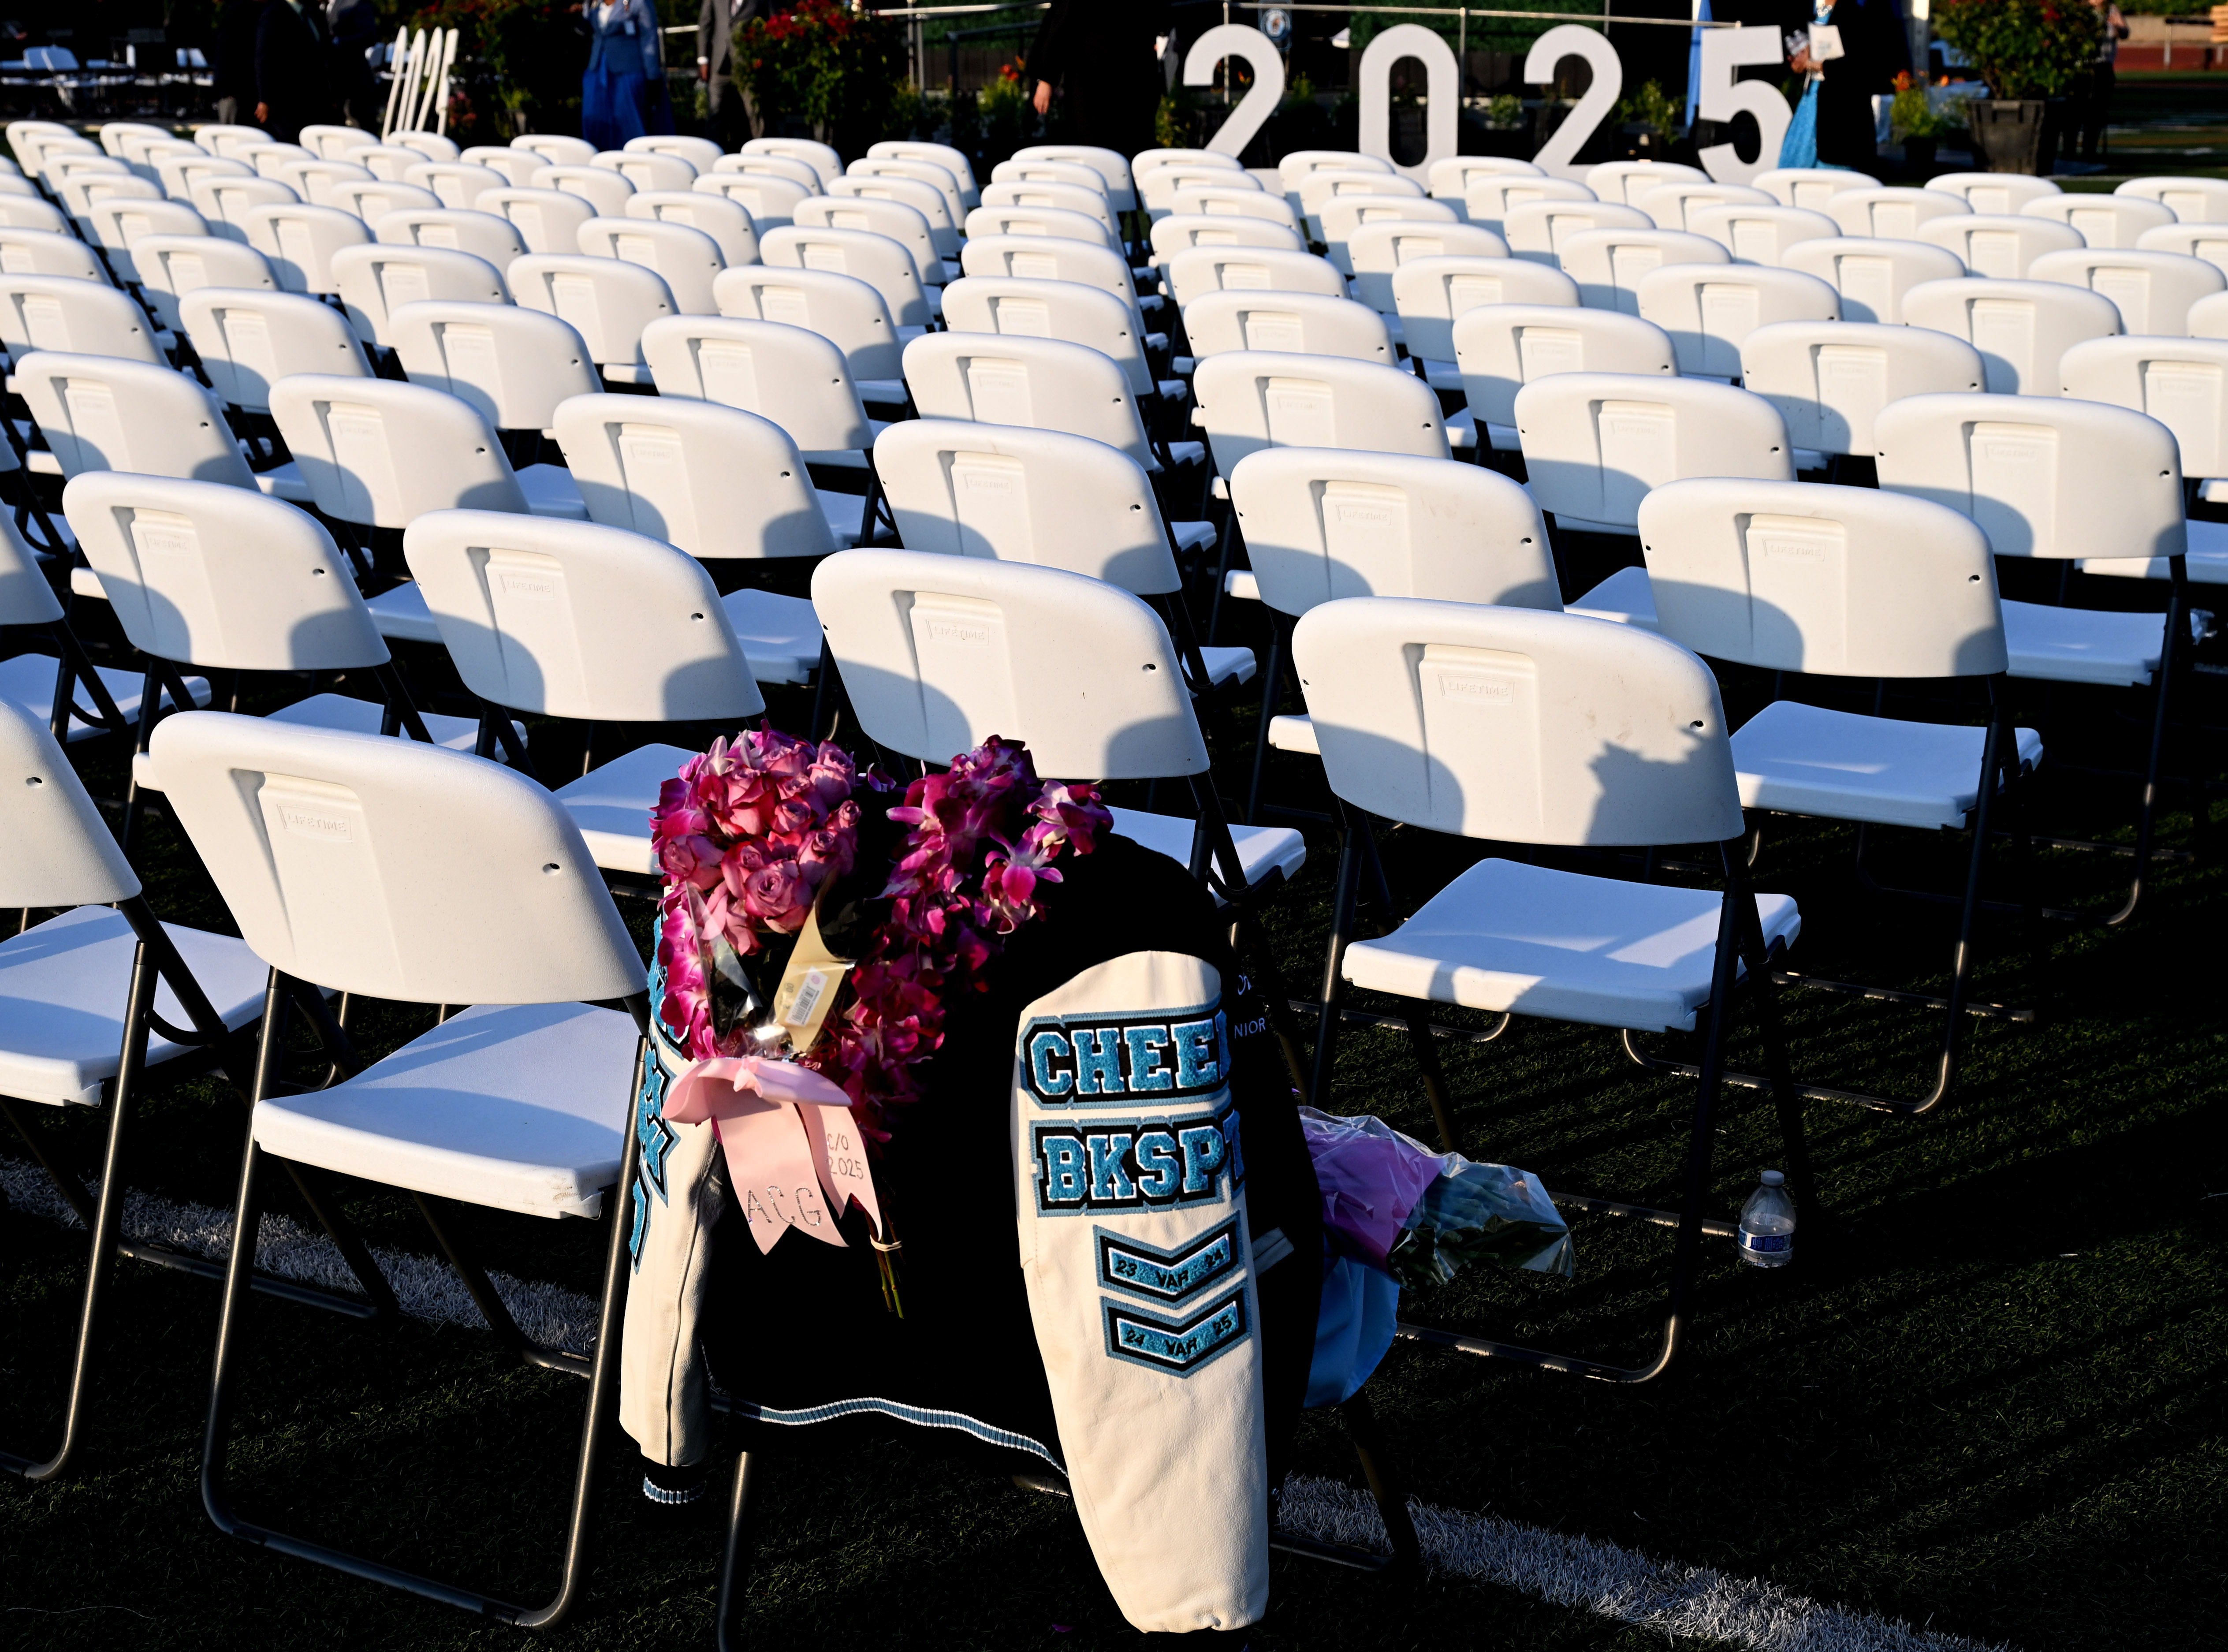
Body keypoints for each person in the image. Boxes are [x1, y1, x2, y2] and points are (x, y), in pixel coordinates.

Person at [1028, 0, 1172, 158]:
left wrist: (1162, 35)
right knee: (1095, 149)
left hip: (1135, 74)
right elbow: (1062, 19)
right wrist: (1046, 79)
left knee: (1133, 144)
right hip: (1092, 78)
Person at [1782, 0, 1909, 171]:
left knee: (1837, 178)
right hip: (1812, 103)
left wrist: (1817, 64)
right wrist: (1800, 63)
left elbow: (1870, 67)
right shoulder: (1812, 8)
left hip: (1844, 116)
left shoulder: (1861, 10)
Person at [579, 0, 658, 152]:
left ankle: (635, 164)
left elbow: (649, 37)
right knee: (593, 119)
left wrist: (652, 75)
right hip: (597, 70)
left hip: (628, 71)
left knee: (628, 121)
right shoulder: (593, 4)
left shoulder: (639, 3)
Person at [255, 0, 337, 145]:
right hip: (287, 102)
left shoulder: (314, 13)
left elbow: (325, 55)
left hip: (316, 101)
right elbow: (264, 58)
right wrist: (264, 99)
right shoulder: (274, 13)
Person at [697, 0, 758, 143]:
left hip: (747, 65)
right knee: (715, 112)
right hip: (719, 63)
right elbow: (705, 24)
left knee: (754, 113)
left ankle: (759, 153)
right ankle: (713, 155)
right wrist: (703, 60)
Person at [2079, 0, 2129, 163]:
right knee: (2077, 110)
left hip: (2104, 66)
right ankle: (2070, 151)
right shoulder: (2081, 11)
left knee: (2098, 111)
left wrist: (2117, 26)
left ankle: (2089, 151)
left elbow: (2125, 33)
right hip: (2083, 66)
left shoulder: (2112, 9)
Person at [326, 0, 383, 131]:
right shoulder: (322, 5)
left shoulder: (356, 3)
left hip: (355, 79)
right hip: (333, 82)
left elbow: (370, 36)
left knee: (363, 128)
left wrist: (338, 43)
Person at [212, 0, 268, 128]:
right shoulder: (238, 12)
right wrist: (227, 92)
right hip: (237, 92)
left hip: (246, 91)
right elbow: (225, 54)